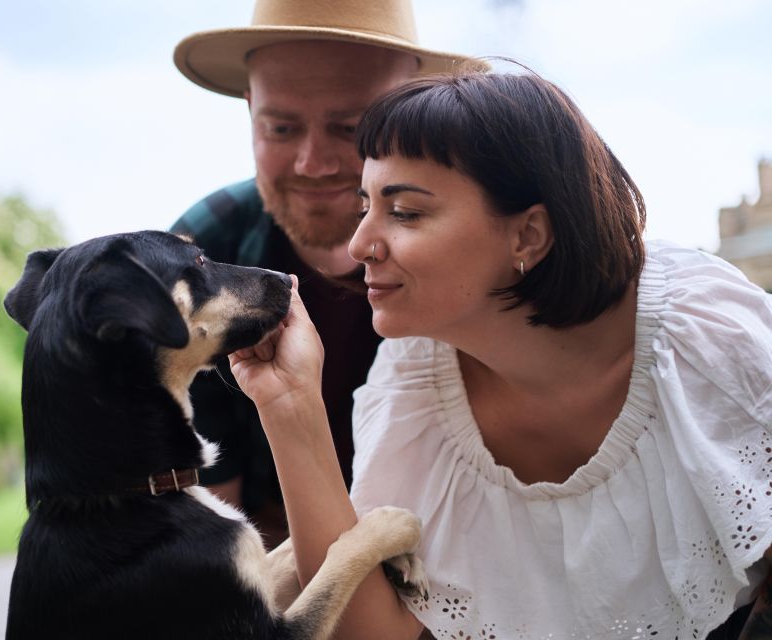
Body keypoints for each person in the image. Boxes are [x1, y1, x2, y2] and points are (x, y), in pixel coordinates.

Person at [229, 71, 772, 639]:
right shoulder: (412, 387)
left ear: (527, 236)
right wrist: (291, 407)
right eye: (365, 207)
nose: (360, 244)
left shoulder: (701, 332)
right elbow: (370, 633)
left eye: (406, 212)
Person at [169, 0, 485, 547]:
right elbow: (216, 517)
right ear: (249, 111)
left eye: (349, 128)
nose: (312, 163)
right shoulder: (204, 248)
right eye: (282, 127)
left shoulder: (479, 252)